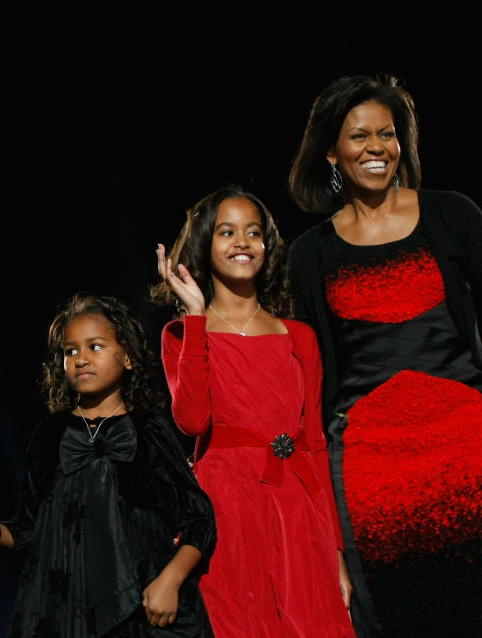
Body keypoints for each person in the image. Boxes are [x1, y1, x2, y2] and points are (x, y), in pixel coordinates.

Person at [286, 75, 482, 637]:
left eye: (388, 133)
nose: (376, 147)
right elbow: (305, 383)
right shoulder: (309, 254)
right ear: (331, 150)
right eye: (359, 136)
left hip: (468, 449)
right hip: (369, 470)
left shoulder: (453, 214)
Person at [154, 188, 355, 637]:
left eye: (253, 232)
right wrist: (196, 315)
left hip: (299, 510)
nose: (242, 242)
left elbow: (316, 444)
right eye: (227, 232)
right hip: (227, 509)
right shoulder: (184, 334)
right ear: (206, 245)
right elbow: (192, 421)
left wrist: (336, 553)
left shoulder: (300, 337)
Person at [0, 293, 215, 636]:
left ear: (128, 357)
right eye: (71, 351)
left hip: (145, 610)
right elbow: (29, 532)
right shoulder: (49, 436)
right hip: (64, 615)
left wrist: (170, 581)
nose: (81, 359)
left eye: (95, 346)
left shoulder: (149, 430)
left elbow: (199, 520)